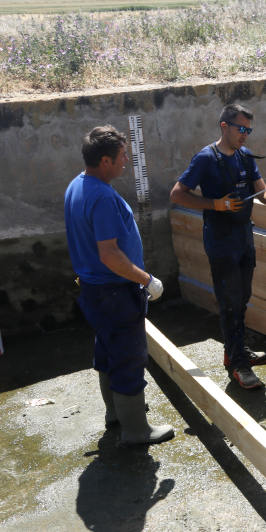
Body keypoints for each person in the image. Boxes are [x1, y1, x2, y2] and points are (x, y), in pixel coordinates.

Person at [65, 126, 174, 446]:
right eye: (122, 156)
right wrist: (147, 279)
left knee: (107, 350)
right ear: (104, 161)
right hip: (115, 291)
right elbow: (110, 254)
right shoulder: (101, 197)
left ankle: (116, 414)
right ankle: (137, 431)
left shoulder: (78, 185)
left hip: (95, 292)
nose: (127, 160)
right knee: (128, 358)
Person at [170, 104, 266, 389]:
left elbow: (263, 195)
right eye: (241, 129)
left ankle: (233, 351)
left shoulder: (245, 157)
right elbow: (177, 194)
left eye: (249, 130)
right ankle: (239, 365)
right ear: (224, 126)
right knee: (230, 302)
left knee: (243, 296)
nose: (245, 135)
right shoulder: (205, 159)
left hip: (243, 236)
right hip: (221, 240)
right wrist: (215, 204)